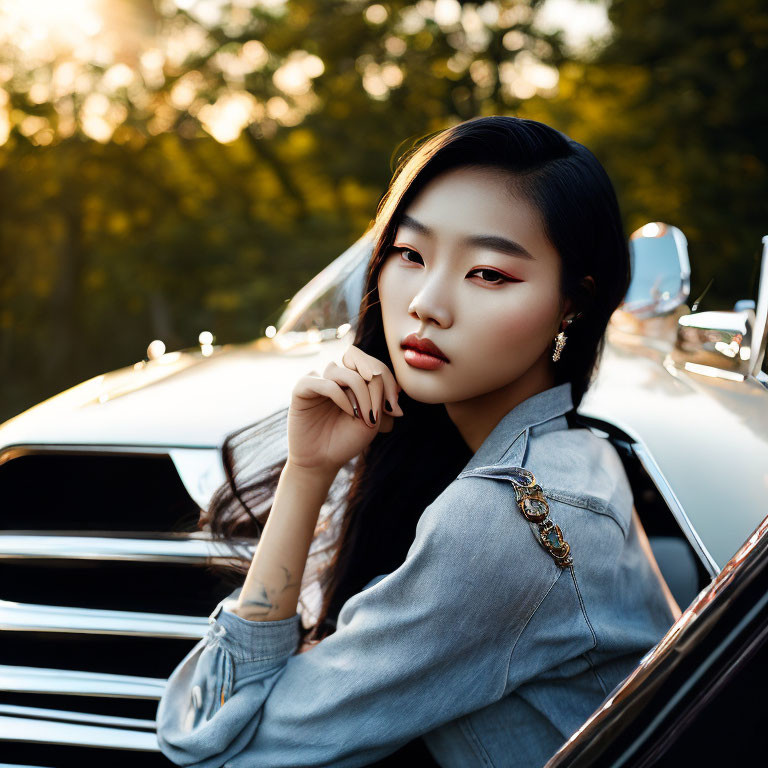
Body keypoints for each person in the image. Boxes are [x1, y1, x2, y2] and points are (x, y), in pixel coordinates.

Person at [155, 115, 679, 767]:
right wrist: (313, 463)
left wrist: (303, 479)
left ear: (572, 303)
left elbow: (211, 746)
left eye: (489, 273)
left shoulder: (505, 521)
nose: (428, 303)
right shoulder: (573, 457)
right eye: (410, 254)